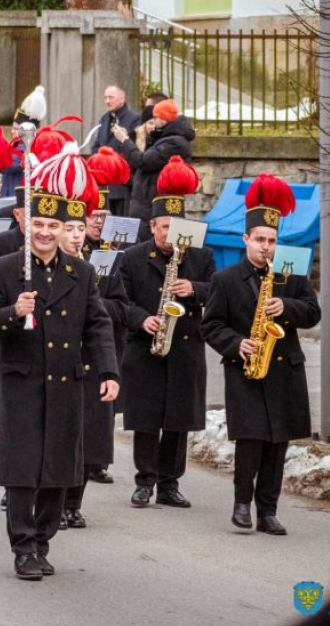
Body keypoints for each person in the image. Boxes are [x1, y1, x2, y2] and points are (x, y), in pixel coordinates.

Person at [0, 146, 119, 581]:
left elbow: (97, 325)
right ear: (27, 224)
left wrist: (108, 372)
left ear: (63, 230)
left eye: (52, 226)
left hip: (66, 383)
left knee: (60, 467)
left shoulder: (80, 273)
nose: (44, 231)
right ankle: (23, 547)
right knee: (22, 470)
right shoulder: (2, 270)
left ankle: (42, 539)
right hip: (21, 384)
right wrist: (12, 312)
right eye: (38, 223)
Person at [201, 174, 320, 536]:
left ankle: (268, 510)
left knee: (277, 444)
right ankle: (242, 504)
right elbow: (211, 326)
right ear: (246, 240)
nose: (266, 247)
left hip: (284, 370)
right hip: (246, 368)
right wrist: (237, 343)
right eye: (259, 240)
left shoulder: (290, 273)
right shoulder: (224, 279)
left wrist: (286, 306)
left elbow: (312, 312)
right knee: (250, 440)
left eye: (271, 240)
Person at [118, 157, 215, 510]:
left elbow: (218, 293)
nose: (168, 234)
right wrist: (142, 320)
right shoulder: (131, 258)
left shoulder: (200, 257)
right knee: (146, 419)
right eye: (163, 227)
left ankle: (170, 483)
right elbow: (119, 301)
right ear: (152, 226)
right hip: (145, 347)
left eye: (175, 227)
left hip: (185, 348)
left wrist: (196, 289)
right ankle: (144, 481)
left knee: (178, 420)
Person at [56, 191, 129, 529]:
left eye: (79, 230)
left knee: (89, 437)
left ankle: (74, 503)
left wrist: (94, 303)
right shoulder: (48, 265)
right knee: (61, 437)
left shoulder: (103, 263)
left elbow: (122, 308)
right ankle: (55, 502)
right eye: (70, 228)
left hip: (92, 360)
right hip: (60, 362)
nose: (76, 236)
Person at [116, 99, 194, 242]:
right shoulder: (167, 138)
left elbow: (142, 161)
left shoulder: (174, 142)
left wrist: (125, 140)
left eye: (156, 117)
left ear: (164, 118)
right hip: (148, 206)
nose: (154, 121)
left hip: (151, 207)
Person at [91, 85, 141, 216]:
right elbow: (96, 145)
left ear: (122, 99)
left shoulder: (135, 119)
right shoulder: (103, 119)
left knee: (120, 223)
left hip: (122, 185)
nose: (107, 101)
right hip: (104, 185)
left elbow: (135, 149)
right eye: (105, 98)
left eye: (111, 97)